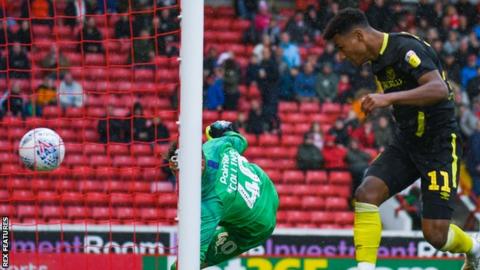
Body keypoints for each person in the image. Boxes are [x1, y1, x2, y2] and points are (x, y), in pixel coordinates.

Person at [323, 8, 479, 270]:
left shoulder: (406, 49)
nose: (342, 55)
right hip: (406, 143)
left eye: (342, 47)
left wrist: (388, 98)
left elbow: (439, 89)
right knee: (366, 194)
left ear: (358, 36)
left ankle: (474, 248)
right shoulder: (377, 63)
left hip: (439, 146)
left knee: (436, 235)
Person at [168, 120, 278, 269]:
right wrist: (218, 129)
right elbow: (240, 140)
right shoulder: (214, 145)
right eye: (175, 170)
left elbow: (196, 257)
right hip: (266, 186)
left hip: (257, 227)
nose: (178, 175)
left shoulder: (210, 204)